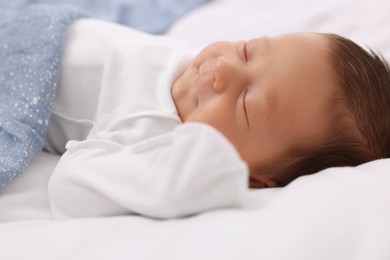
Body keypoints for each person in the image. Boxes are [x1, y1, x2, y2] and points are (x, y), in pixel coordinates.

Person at [46, 19, 390, 219]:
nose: (224, 67)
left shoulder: (150, 130)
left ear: (255, 178)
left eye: (245, 102)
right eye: (248, 50)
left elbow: (70, 189)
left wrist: (186, 171)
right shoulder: (192, 62)